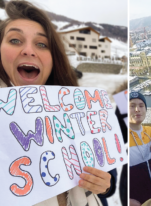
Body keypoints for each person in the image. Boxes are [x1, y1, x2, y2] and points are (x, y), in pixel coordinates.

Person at [0, 1, 113, 205]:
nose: (28, 50)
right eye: (15, 40)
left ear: (53, 59)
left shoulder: (77, 108)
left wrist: (104, 185)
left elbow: (103, 171)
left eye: (42, 44)